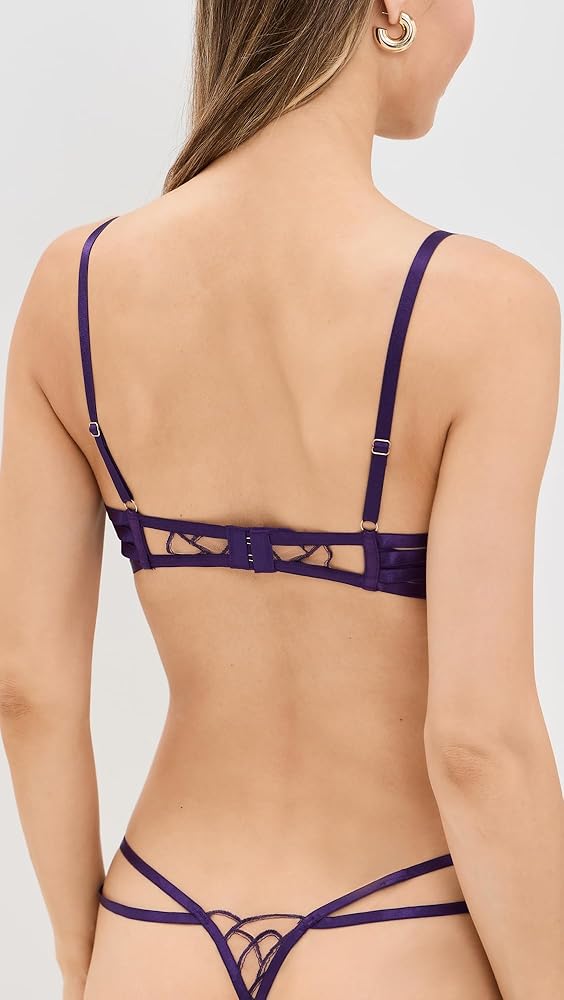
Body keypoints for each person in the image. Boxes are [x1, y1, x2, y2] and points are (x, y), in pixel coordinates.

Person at [0, 2, 562, 998]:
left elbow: (28, 689)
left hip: (155, 925)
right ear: (390, 9)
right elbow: (479, 744)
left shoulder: (69, 288)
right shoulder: (487, 307)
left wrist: (85, 956)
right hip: (402, 930)